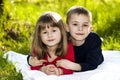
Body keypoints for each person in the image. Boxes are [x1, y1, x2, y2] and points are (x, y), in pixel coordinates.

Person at [56, 6, 104, 72]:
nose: (80, 29)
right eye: (75, 24)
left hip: (92, 55)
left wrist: (73, 66)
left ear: (90, 28)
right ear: (67, 27)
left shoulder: (93, 41)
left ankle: (100, 41)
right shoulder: (63, 39)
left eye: (85, 25)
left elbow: (92, 64)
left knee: (96, 43)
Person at [27, 11, 75, 76]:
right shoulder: (39, 47)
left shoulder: (68, 46)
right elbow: (34, 65)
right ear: (39, 36)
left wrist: (59, 71)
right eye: (45, 32)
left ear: (62, 31)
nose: (50, 35)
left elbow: (71, 66)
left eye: (54, 31)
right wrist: (43, 69)